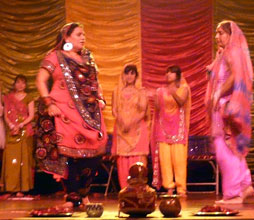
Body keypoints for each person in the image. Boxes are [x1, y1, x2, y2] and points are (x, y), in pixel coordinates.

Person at [36, 22, 107, 208]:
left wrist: (101, 98)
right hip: (65, 112)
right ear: (66, 38)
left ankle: (84, 192)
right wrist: (49, 103)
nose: (83, 37)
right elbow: (41, 80)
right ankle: (73, 196)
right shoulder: (55, 56)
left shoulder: (88, 57)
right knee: (69, 153)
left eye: (83, 34)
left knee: (96, 152)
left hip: (91, 114)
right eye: (78, 34)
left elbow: (96, 82)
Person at [205, 20, 254, 204]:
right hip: (226, 106)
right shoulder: (225, 53)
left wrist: (218, 92)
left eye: (221, 33)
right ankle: (245, 184)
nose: (217, 37)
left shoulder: (232, 52)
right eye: (216, 33)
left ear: (230, 35)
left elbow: (235, 76)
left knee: (223, 149)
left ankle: (233, 193)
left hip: (225, 106)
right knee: (232, 146)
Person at [151, 65, 191, 197]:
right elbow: (157, 108)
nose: (168, 74)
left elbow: (181, 102)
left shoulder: (183, 88)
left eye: (171, 73)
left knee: (179, 161)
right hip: (163, 128)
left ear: (177, 75)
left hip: (178, 129)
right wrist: (153, 97)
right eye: (167, 72)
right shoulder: (161, 91)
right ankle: (169, 188)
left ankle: (181, 189)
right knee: (165, 161)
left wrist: (173, 91)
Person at [111, 65, 150, 189]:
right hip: (121, 129)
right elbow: (114, 109)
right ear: (123, 75)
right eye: (127, 73)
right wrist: (123, 123)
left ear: (136, 76)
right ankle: (125, 190)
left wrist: (131, 123)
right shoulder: (117, 91)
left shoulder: (141, 92)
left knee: (137, 158)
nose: (129, 76)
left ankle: (139, 189)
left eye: (132, 74)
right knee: (122, 159)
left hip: (137, 128)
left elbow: (143, 111)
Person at [1, 75, 35, 196]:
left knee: (23, 159)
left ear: (25, 85)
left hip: (25, 131)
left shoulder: (29, 97)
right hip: (11, 132)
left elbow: (31, 115)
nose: (20, 85)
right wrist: (11, 125)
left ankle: (22, 189)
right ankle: (10, 188)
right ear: (14, 84)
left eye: (23, 83)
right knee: (11, 160)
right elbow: (5, 115)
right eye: (18, 83)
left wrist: (20, 125)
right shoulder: (8, 98)